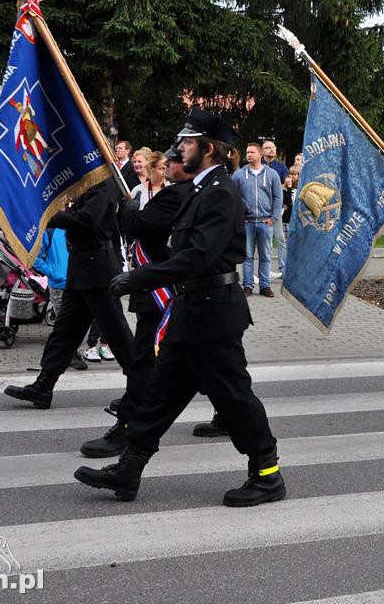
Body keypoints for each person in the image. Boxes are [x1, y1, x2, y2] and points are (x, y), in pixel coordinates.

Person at [75, 108, 285, 507]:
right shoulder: (203, 189)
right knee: (159, 393)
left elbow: (199, 257)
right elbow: (180, 250)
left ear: (207, 149)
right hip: (191, 310)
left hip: (214, 314)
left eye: (187, 143)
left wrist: (140, 277)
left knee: (234, 397)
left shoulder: (221, 191)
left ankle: (267, 473)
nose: (179, 148)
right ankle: (129, 468)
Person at [3, 174, 146, 459]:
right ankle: (44, 386)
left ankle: (142, 388)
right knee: (64, 331)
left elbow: (87, 222)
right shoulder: (87, 185)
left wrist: (49, 216)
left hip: (98, 268)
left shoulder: (102, 185)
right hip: (81, 266)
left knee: (117, 335)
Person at [33, 227, 88, 371]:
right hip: (59, 285)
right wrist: (53, 274)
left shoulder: (76, 229)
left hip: (78, 283)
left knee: (77, 321)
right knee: (64, 322)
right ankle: (68, 355)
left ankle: (66, 353)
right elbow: (36, 258)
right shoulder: (50, 232)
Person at [232, 141, 282, 297]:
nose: (248, 155)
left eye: (252, 152)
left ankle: (265, 286)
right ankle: (248, 285)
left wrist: (273, 218)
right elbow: (232, 197)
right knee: (247, 256)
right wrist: (238, 218)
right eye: (247, 152)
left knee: (266, 256)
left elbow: (278, 197)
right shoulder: (239, 174)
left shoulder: (272, 174)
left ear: (260, 154)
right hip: (246, 222)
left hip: (265, 222)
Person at [262, 140, 289, 278]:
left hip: (276, 208)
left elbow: (287, 182)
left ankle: (283, 269)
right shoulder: (257, 165)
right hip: (261, 208)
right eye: (267, 148)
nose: (271, 150)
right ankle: (264, 271)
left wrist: (288, 182)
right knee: (264, 240)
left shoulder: (281, 167)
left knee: (280, 239)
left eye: (272, 148)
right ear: (262, 151)